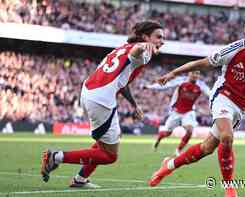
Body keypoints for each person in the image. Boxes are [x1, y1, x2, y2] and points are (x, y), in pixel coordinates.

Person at [148, 10, 245, 197]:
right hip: (222, 96)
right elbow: (201, 63)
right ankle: (229, 187)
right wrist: (173, 73)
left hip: (242, 106)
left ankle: (168, 166)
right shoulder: (233, 50)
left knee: (207, 148)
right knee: (227, 136)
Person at [40, 20, 165, 188]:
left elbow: (122, 81)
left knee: (105, 143)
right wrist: (143, 46)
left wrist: (134, 104)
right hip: (101, 99)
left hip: (90, 91)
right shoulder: (143, 51)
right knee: (109, 156)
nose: (162, 41)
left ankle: (80, 179)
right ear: (144, 37)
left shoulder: (122, 48)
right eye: (158, 37)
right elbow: (136, 52)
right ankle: (55, 157)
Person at [146, 71, 210, 155]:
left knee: (190, 130)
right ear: (189, 74)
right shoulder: (181, 81)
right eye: (193, 73)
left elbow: (210, 93)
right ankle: (158, 139)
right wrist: (150, 87)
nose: (195, 75)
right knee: (167, 133)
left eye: (198, 73)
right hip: (176, 111)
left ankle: (178, 150)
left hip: (189, 111)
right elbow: (166, 85)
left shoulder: (201, 85)